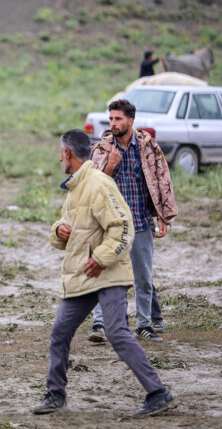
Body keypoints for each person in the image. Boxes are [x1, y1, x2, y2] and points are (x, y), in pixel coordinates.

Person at [32, 129, 176, 416]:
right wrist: (59, 232)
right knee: (60, 332)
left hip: (107, 272)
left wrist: (100, 257)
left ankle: (158, 393)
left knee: (116, 332)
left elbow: (124, 227)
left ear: (67, 154)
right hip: (84, 274)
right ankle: (55, 394)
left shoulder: (99, 184)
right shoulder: (76, 188)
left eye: (60, 153)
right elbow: (70, 228)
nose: (59, 158)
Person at [87, 99, 177, 343]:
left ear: (130, 121)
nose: (113, 123)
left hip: (140, 221)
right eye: (111, 118)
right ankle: (99, 324)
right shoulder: (102, 149)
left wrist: (163, 216)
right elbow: (92, 185)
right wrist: (110, 166)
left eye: (118, 119)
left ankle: (144, 325)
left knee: (143, 279)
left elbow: (161, 179)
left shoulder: (148, 147)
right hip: (110, 226)